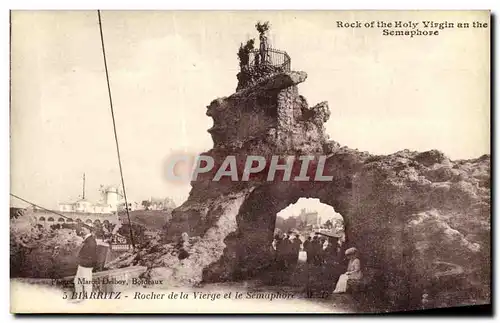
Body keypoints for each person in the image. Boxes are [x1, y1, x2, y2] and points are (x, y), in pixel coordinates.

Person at [73, 224, 97, 301]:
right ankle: (79, 298)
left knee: (86, 282)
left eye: (84, 229)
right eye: (82, 229)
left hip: (86, 264)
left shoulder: (90, 240)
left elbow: (89, 253)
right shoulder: (87, 239)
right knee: (77, 281)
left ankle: (88, 300)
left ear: (89, 230)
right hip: (82, 264)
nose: (82, 230)